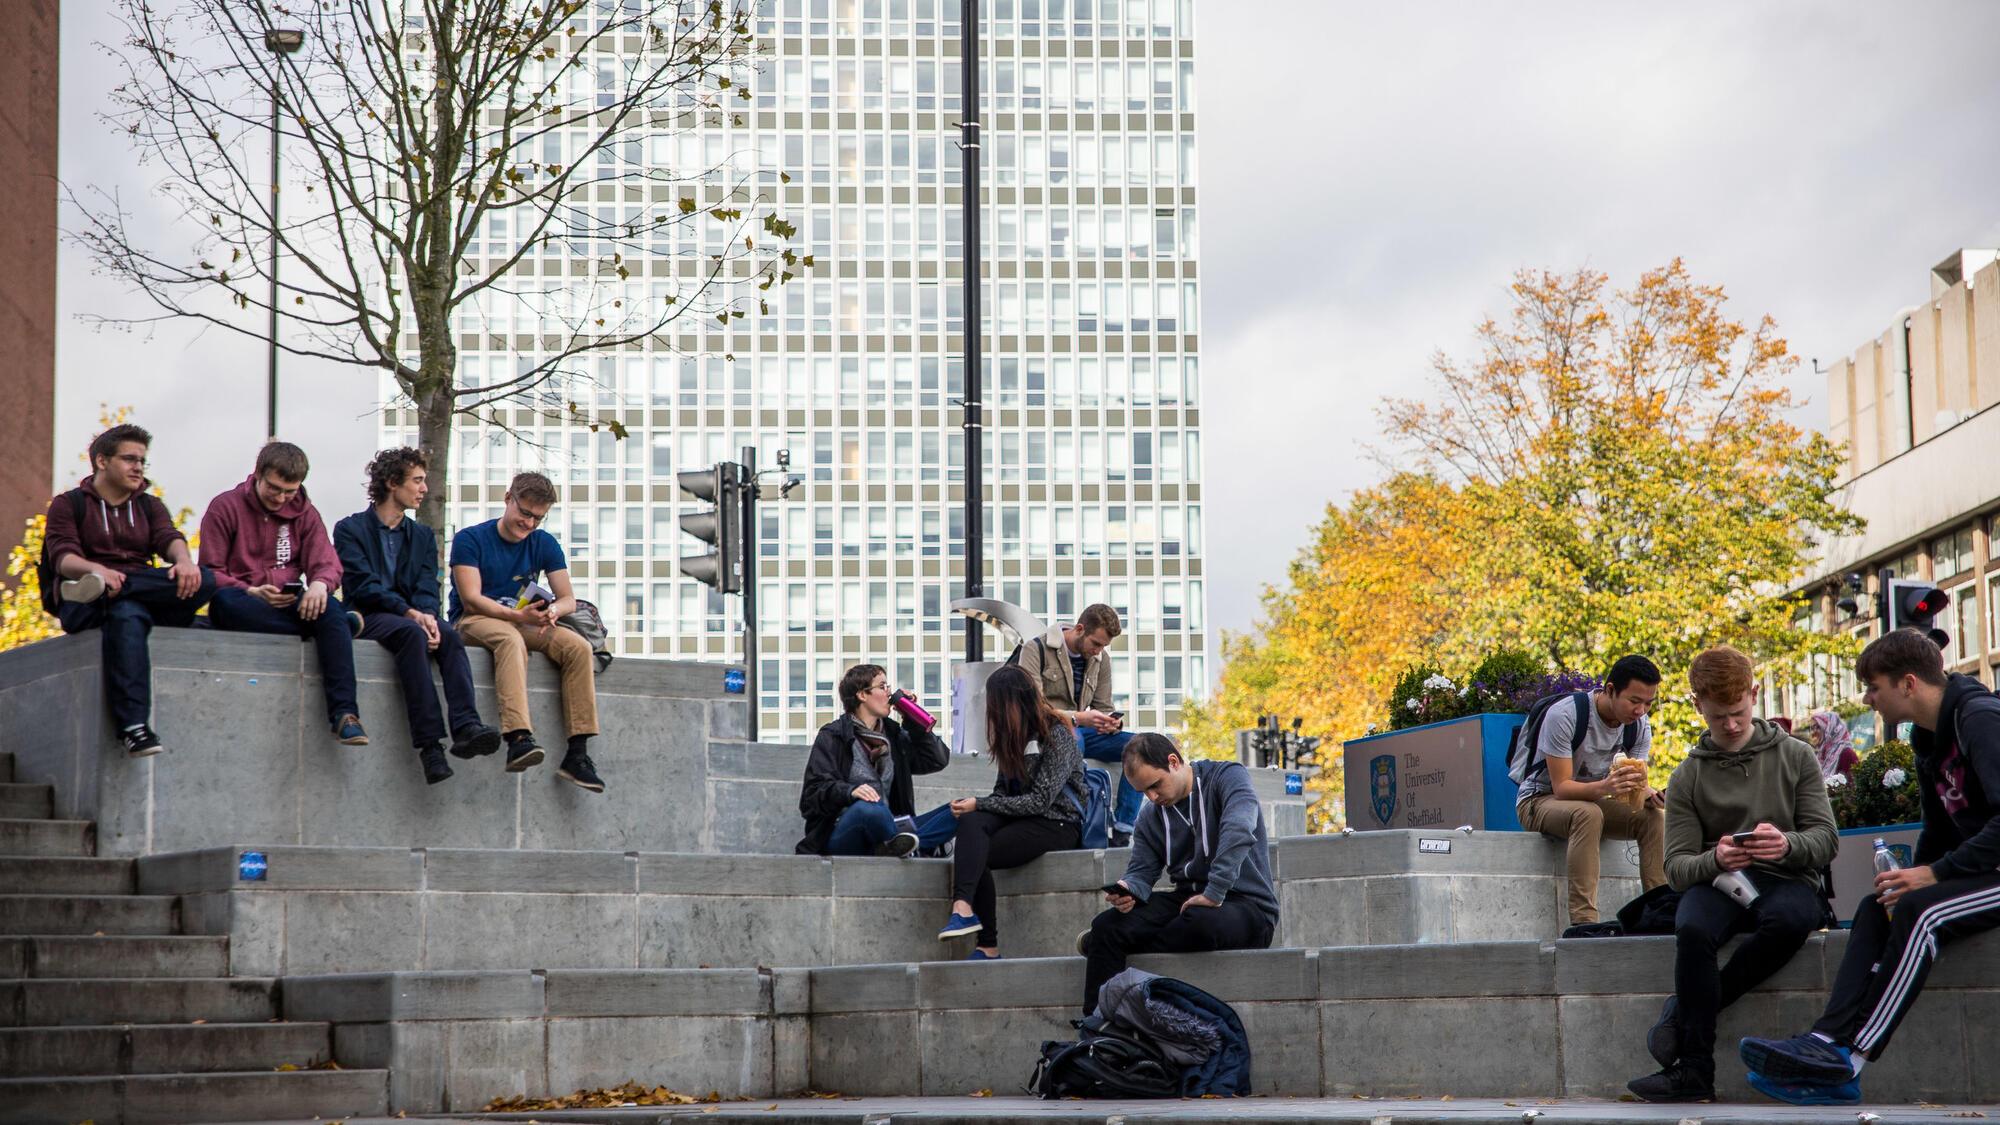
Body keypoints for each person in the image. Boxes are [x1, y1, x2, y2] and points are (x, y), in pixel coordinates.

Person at [1739, 629, 2000, 1106]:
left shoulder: (1979, 720)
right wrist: (1913, 877)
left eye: (1873, 687)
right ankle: (1824, 1041)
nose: (1868, 699)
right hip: (1982, 869)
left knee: (1923, 912)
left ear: (1907, 683)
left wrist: (1934, 877)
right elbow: (1940, 831)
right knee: (1877, 906)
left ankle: (1848, 1060)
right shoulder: (1927, 739)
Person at [1626, 646, 1838, 1103]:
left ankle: (1686, 1013)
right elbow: (1678, 869)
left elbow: (1825, 839)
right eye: (1720, 716)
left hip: (1787, 879)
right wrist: (1716, 860)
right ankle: (1695, 1072)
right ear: (1698, 705)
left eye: (1739, 712)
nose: (1732, 725)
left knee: (1789, 920)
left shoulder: (1796, 756)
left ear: (1754, 695)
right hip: (1720, 881)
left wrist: (1786, 844)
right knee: (1692, 927)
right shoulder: (1687, 776)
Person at [42, 424, 215, 757]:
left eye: (142, 461)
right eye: (129, 459)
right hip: (85, 594)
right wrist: (98, 571)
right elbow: (63, 559)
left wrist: (184, 562)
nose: (138, 467)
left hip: (129, 590)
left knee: (205, 580)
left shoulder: (149, 506)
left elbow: (169, 538)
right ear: (102, 461)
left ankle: (121, 588)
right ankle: (135, 728)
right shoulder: (69, 504)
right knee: (128, 615)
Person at [333, 447, 501, 785]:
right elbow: (363, 586)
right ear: (393, 483)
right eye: (418, 480)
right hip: (369, 616)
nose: (424, 488)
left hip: (411, 615)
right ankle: (430, 747)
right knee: (411, 635)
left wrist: (426, 614)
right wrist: (412, 615)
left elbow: (427, 585)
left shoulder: (422, 535)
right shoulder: (349, 530)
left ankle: (467, 726)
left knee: (449, 636)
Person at [1077, 733, 1278, 1014]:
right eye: (1143, 792)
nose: (1152, 797)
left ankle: (1125, 947)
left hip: (1246, 905)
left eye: (1155, 785)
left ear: (1173, 762)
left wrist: (1214, 892)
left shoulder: (1227, 776)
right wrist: (1129, 888)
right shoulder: (1151, 815)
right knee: (1106, 927)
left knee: (1199, 924)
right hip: (1188, 900)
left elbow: (1239, 829)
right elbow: (1141, 871)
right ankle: (1097, 1027)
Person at [200, 441, 367, 747]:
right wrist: (250, 590)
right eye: (274, 489)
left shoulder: (306, 513)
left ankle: (345, 714)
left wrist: (319, 584)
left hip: (290, 602)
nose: (281, 498)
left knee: (327, 605)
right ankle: (339, 627)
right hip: (243, 600)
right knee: (224, 603)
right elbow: (210, 573)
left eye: (289, 491)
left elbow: (327, 564)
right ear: (258, 475)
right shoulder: (225, 506)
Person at [448, 472, 604, 793]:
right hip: (473, 620)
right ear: (508, 499)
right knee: (510, 639)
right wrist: (517, 615)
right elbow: (471, 598)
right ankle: (518, 738)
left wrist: (552, 612)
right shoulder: (470, 539)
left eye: (538, 518)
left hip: (523, 619)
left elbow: (568, 599)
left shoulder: (543, 542)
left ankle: (577, 754)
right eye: (525, 514)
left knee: (577, 647)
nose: (529, 524)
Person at [935, 664, 1087, 960]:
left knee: (979, 851)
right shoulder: (1012, 737)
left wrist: (980, 804)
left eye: (996, 704)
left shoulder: (1057, 735)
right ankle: (963, 910)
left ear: (1011, 703)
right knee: (971, 823)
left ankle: (987, 942)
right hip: (1024, 816)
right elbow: (1002, 794)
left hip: (1058, 822)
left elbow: (1041, 801)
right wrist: (976, 807)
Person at [1514, 654, 1670, 928]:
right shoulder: (1566, 715)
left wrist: (1650, 795)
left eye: (1648, 703)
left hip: (1594, 800)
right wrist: (1607, 787)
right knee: (1588, 814)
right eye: (1634, 701)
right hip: (1538, 800)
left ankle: (1660, 913)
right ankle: (1584, 922)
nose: (1641, 710)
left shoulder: (1640, 726)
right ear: (1610, 690)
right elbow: (1561, 788)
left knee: (1654, 818)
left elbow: (1635, 788)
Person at [796, 663, 951, 857]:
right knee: (870, 810)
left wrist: (913, 720)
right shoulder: (834, 736)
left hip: (892, 825)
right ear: (862, 695)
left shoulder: (894, 736)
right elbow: (812, 794)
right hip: (846, 831)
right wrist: (851, 791)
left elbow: (937, 760)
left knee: (959, 810)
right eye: (882, 686)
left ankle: (901, 845)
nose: (889, 693)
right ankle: (910, 845)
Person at [1016, 603, 1139, 843]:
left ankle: (1123, 830)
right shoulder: (1036, 649)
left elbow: (1103, 707)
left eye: (1104, 646)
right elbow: (1032, 707)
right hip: (1045, 730)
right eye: (1096, 643)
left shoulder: (1101, 659)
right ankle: (1073, 818)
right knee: (1074, 738)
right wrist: (1078, 718)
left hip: (1082, 730)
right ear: (1080, 629)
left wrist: (1110, 724)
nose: (1098, 650)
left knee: (1140, 746)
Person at [1804, 711, 1860, 783]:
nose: (1813, 732)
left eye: (1818, 727)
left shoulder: (1847, 754)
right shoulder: (1822, 754)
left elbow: (1855, 786)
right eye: (1812, 728)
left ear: (1831, 729)